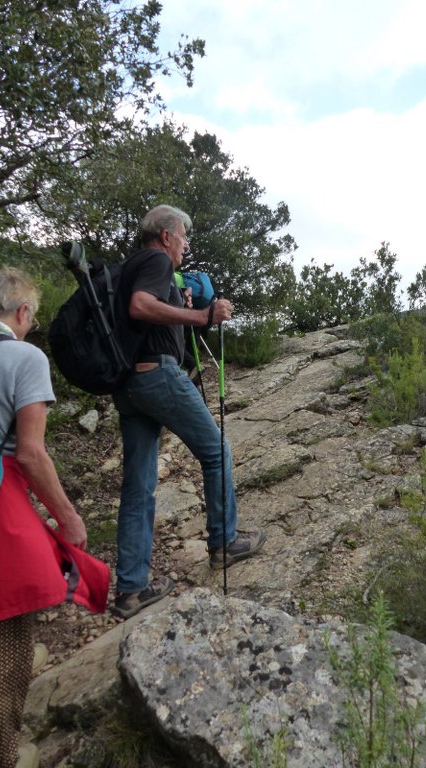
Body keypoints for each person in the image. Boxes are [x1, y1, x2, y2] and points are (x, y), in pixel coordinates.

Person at [111, 204, 267, 619]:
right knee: (216, 451)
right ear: (166, 235)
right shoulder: (155, 260)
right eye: (183, 235)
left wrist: (184, 312)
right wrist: (202, 313)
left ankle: (131, 590)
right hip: (157, 376)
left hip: (128, 386)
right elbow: (141, 306)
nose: (186, 243)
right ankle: (224, 542)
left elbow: (146, 311)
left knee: (139, 484)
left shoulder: (131, 267)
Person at [0, 268, 109, 768]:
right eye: (31, 319)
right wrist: (68, 517)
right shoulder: (23, 356)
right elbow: (33, 454)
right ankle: (2, 753)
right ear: (21, 313)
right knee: (6, 634)